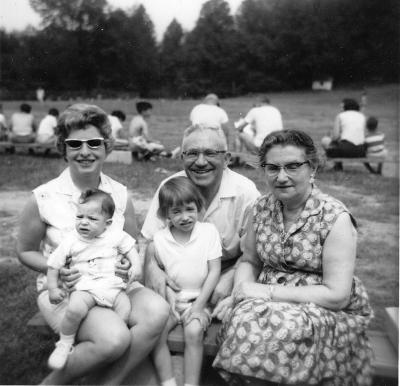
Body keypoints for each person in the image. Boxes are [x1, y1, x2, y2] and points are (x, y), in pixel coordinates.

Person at [17, 103, 169, 385]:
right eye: (75, 144)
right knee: (114, 339)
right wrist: (57, 270)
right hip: (67, 291)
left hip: (115, 286)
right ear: (63, 148)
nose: (85, 151)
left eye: (94, 143)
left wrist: (126, 262)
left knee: (158, 310)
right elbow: (24, 251)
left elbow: (131, 242)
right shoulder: (44, 197)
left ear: (107, 147)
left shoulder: (120, 194)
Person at [212, 129, 373, 385]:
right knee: (244, 318)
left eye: (293, 166)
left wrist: (264, 292)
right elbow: (249, 260)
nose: (282, 177)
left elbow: (337, 295)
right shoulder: (260, 209)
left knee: (279, 328)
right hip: (263, 302)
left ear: (313, 169)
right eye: (272, 168)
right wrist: (239, 291)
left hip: (321, 307)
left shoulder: (335, 218)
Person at [142, 124, 260, 309]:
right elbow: (149, 240)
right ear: (182, 158)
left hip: (225, 270)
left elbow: (253, 254)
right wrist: (152, 269)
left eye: (210, 153)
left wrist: (230, 277)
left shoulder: (246, 193)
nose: (201, 162)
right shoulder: (170, 187)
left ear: (227, 159)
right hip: (177, 277)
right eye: (192, 153)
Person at [47, 188, 142, 370]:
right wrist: (52, 288)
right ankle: (65, 343)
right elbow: (53, 265)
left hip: (113, 288)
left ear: (107, 223)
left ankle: (113, 346)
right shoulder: (71, 240)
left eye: (92, 219)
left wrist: (135, 266)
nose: (84, 223)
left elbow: (131, 248)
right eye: (80, 217)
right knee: (74, 309)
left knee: (125, 309)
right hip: (85, 287)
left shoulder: (115, 236)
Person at [149, 176, 221, 386]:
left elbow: (214, 271)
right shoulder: (160, 240)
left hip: (199, 301)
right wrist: (166, 302)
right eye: (176, 212)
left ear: (198, 207)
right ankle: (168, 381)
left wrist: (199, 306)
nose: (185, 217)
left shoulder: (208, 232)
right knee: (156, 332)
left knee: (194, 331)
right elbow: (158, 274)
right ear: (165, 214)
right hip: (170, 303)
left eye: (190, 209)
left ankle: (191, 383)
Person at [322, 98, 366, 170]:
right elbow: (363, 135)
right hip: (361, 151)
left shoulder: (340, 116)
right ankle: (337, 166)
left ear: (346, 107)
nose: (341, 109)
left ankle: (338, 165)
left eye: (342, 107)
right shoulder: (362, 116)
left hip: (345, 151)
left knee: (325, 140)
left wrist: (331, 136)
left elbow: (335, 137)